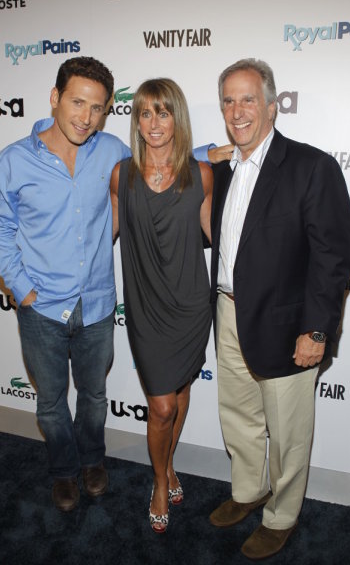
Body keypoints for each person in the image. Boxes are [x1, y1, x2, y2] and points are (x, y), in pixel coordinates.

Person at [0, 56, 230, 512]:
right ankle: (63, 470)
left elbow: (160, 161)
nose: (87, 117)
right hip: (42, 307)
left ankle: (94, 461)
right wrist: (22, 289)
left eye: (98, 108)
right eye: (78, 103)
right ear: (56, 98)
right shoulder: (11, 163)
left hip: (97, 302)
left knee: (96, 397)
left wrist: (208, 154)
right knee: (52, 402)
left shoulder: (110, 151)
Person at [209, 58, 350, 559]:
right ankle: (248, 491)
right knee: (238, 413)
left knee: (289, 428)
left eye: (248, 98)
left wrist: (317, 330)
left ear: (273, 104)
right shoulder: (225, 167)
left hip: (288, 321)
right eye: (228, 100)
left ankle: (283, 514)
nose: (237, 109)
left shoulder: (312, 166)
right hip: (228, 312)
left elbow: (333, 258)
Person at [110, 78, 215, 533]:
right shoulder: (121, 175)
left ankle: (169, 463)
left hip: (191, 306)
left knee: (183, 391)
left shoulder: (201, 174)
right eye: (145, 113)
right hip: (147, 309)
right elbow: (101, 238)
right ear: (135, 120)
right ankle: (158, 480)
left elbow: (217, 238)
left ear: (178, 118)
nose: (154, 123)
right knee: (162, 407)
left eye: (164, 112)